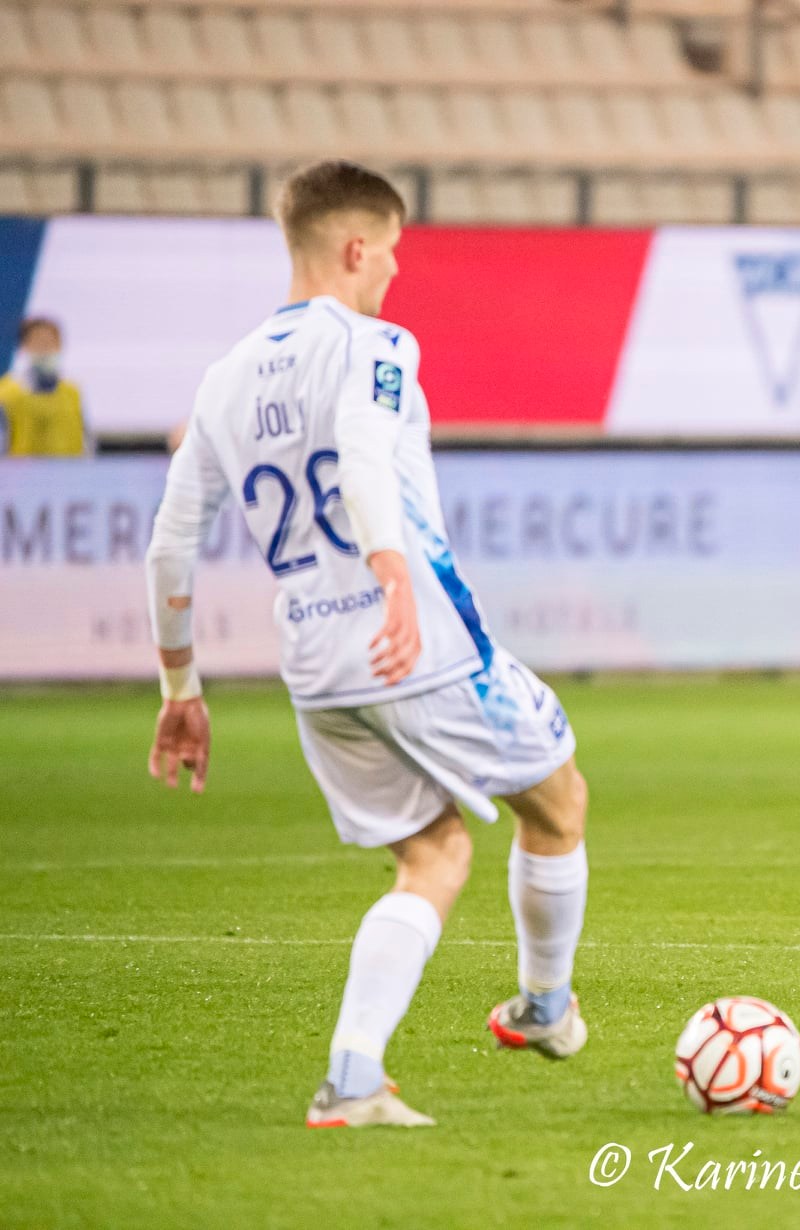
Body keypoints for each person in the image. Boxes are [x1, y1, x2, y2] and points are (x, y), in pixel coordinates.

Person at [143, 160, 594, 1129]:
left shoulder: (223, 378)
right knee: (558, 802)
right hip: (413, 636)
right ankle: (546, 1007)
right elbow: (356, 445)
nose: (394, 269)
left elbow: (170, 541)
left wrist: (181, 684)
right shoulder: (377, 344)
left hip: (312, 662)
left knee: (431, 856)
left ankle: (353, 1080)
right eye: (389, 250)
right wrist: (391, 572)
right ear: (356, 248)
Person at [1, 317, 89, 456]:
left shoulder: (72, 391)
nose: (45, 349)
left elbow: (85, 439)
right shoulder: (7, 392)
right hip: (22, 473)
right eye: (39, 343)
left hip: (68, 472)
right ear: (24, 346)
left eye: (50, 342)